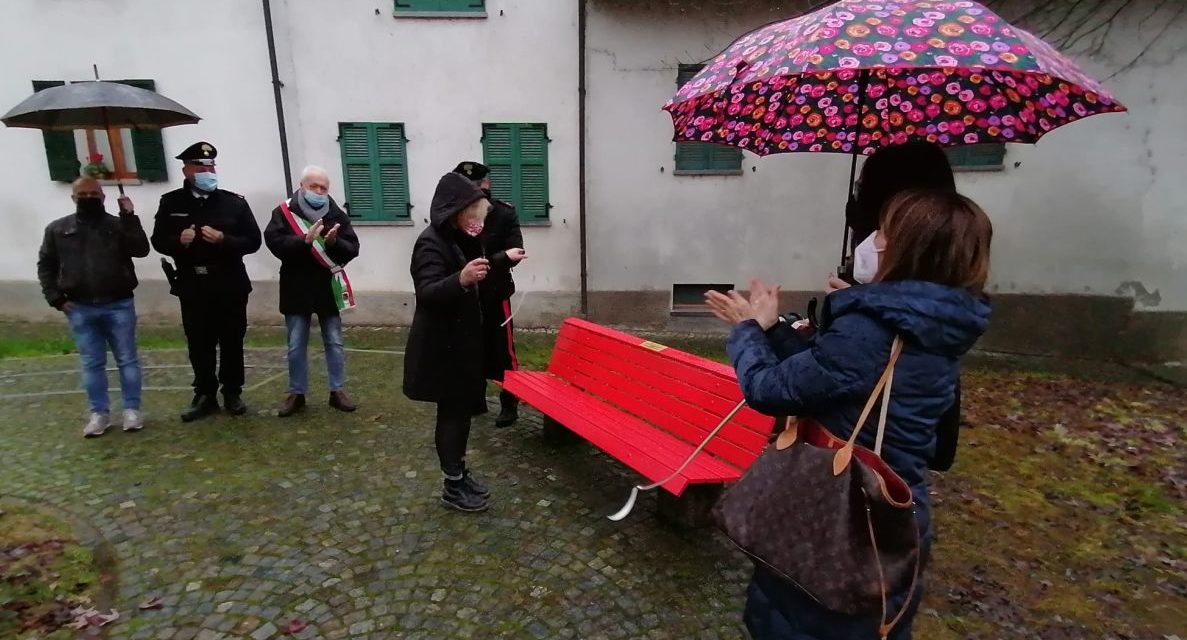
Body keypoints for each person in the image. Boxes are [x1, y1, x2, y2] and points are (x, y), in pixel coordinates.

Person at [706, 190, 992, 640]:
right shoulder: (934, 323)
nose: (872, 241)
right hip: (891, 504)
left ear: (905, 249)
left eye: (883, 232)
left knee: (811, 621)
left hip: (844, 512)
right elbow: (831, 377)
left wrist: (747, 331)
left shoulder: (873, 327)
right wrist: (779, 329)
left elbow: (768, 389)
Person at [832, 141, 963, 472]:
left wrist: (857, 305)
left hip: (871, 458)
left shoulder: (898, 314)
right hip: (893, 457)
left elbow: (786, 387)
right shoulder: (946, 304)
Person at [151, 142, 262, 422]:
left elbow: (253, 241)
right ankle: (204, 394)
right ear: (187, 170)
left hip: (229, 281)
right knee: (198, 341)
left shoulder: (233, 202)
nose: (207, 170)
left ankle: (233, 391)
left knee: (232, 339)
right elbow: (158, 240)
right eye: (200, 166)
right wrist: (179, 241)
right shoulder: (172, 202)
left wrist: (225, 240)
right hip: (193, 283)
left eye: (211, 166)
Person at [403, 172, 494, 512]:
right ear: (455, 210)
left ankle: (459, 472)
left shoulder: (458, 238)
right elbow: (427, 292)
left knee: (462, 415)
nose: (476, 220)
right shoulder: (430, 242)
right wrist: (461, 278)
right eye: (471, 212)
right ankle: (452, 486)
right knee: (452, 416)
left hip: (461, 346)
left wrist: (494, 262)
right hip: (442, 348)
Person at [37, 178, 150, 437]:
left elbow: (141, 249)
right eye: (83, 194)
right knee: (91, 363)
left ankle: (132, 410)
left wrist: (130, 215)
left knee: (127, 359)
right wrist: (55, 297)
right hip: (79, 306)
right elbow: (46, 264)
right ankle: (99, 413)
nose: (89, 198)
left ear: (102, 196)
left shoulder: (117, 225)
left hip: (118, 303)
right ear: (73, 197)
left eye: (94, 193)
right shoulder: (58, 229)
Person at [264, 165, 360, 417]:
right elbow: (274, 243)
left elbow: (353, 248)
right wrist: (303, 241)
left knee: (335, 342)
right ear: (301, 186)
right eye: (313, 186)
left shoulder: (337, 214)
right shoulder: (283, 213)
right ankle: (297, 393)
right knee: (296, 344)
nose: (318, 191)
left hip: (326, 287)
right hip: (296, 286)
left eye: (323, 188)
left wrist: (334, 243)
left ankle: (337, 391)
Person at [452, 161, 528, 427]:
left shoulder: (504, 213)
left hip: (495, 293)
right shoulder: (455, 214)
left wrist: (494, 260)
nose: (474, 191)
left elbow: (515, 252)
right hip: (465, 294)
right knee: (470, 347)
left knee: (503, 351)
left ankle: (510, 402)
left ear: (487, 184)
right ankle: (476, 398)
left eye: (478, 185)